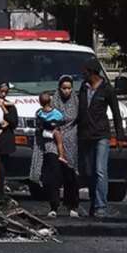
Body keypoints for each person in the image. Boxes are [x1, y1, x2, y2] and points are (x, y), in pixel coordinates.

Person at [77, 58, 124, 217]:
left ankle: (101, 206)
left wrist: (119, 136)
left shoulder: (107, 90)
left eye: (85, 71)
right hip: (85, 135)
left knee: (100, 170)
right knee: (88, 172)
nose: (83, 73)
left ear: (91, 72)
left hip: (101, 135)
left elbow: (116, 114)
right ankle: (93, 201)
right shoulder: (83, 88)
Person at [29, 92, 68, 218]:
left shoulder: (54, 114)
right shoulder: (40, 114)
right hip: (43, 144)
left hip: (52, 144)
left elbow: (57, 127)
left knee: (54, 176)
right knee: (47, 176)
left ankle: (55, 204)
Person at [52, 75, 81, 218]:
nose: (66, 91)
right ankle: (54, 207)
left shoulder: (76, 100)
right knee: (55, 176)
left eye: (69, 88)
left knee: (72, 177)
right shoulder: (54, 100)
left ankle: (72, 206)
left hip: (72, 141)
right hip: (55, 140)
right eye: (64, 88)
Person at [0, 81, 19, 198]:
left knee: (3, 168)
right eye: (1, 91)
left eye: (5, 92)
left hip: (5, 140)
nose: (3, 94)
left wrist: (3, 107)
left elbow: (13, 121)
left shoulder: (10, 106)